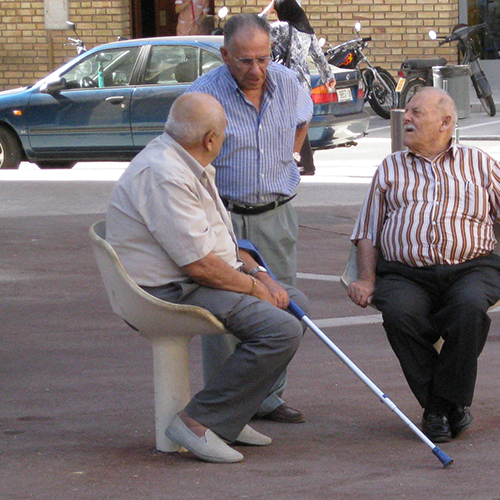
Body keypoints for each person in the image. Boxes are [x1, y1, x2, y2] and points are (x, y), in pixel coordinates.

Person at [346, 87, 500, 443]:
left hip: (471, 267)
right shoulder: (390, 167)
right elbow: (368, 230)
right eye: (408, 112)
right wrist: (367, 278)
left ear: (446, 122)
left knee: (468, 310)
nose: (407, 118)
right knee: (400, 314)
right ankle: (452, 407)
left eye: (418, 113)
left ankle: (437, 410)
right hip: (405, 272)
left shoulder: (479, 163)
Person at [105, 93, 310, 463]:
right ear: (210, 139)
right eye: (224, 132)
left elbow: (223, 243)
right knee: (280, 329)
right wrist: (254, 289)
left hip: (192, 278)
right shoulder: (165, 173)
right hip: (166, 290)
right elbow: (198, 264)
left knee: (297, 307)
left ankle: (229, 415)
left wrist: (263, 276)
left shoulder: (186, 159)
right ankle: (198, 421)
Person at [186, 13, 313, 424]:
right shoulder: (203, 96)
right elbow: (185, 159)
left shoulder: (290, 83)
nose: (256, 69)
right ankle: (225, 406)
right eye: (244, 61)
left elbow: (305, 117)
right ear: (225, 55)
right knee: (226, 319)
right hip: (223, 219)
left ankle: (268, 398)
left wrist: (290, 156)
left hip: (276, 215)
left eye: (263, 58)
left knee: (282, 308)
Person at [261, 0, 336, 175]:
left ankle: (292, 164)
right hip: (303, 84)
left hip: (283, 82)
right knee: (300, 123)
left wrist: (267, 10)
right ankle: (306, 164)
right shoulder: (307, 30)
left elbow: (253, 27)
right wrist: (328, 77)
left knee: (284, 124)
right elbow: (318, 56)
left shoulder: (280, 28)